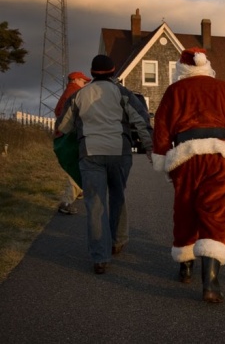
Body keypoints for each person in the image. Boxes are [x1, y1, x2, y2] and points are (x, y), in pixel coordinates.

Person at [152, 47, 225, 304]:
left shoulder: (174, 91)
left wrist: (160, 156)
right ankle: (211, 283)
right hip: (221, 157)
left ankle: (186, 265)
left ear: (182, 69)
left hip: (185, 157)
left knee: (185, 208)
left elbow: (161, 126)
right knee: (216, 213)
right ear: (207, 66)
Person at [56, 55, 153, 275]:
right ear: (113, 71)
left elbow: (64, 126)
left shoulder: (79, 95)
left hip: (90, 154)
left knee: (95, 204)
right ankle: (117, 241)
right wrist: (149, 147)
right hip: (119, 152)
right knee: (118, 195)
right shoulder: (123, 93)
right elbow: (140, 120)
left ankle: (100, 258)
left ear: (91, 73)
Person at [54, 71, 91, 215]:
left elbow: (58, 111)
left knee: (76, 164)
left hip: (65, 135)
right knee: (77, 166)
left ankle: (79, 191)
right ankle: (66, 202)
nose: (85, 84)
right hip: (72, 135)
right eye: (83, 81)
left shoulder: (67, 92)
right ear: (75, 80)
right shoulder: (75, 93)